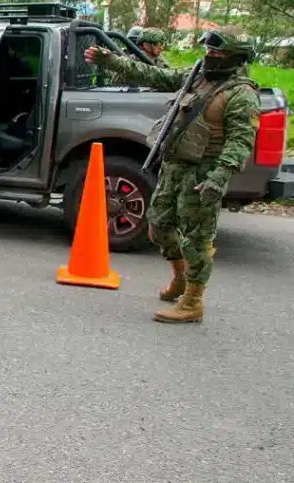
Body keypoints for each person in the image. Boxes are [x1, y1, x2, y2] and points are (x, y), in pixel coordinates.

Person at [85, 29, 260, 324]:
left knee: (196, 239)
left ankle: (192, 301)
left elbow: (240, 141)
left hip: (202, 173)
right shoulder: (198, 76)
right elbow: (150, 75)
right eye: (208, 50)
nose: (210, 56)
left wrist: (219, 177)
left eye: (218, 52)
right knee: (158, 226)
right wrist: (110, 60)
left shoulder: (241, 94)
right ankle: (179, 278)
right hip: (174, 167)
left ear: (236, 56)